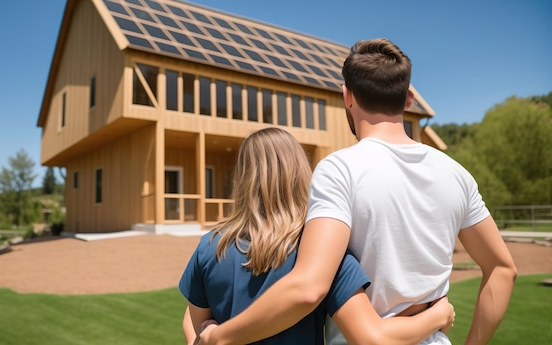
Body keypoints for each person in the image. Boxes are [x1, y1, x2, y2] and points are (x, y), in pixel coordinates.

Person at [198, 38, 517, 345]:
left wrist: (220, 337)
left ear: (347, 95)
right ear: (407, 99)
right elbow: (502, 268)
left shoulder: (340, 170)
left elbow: (309, 288)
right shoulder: (457, 174)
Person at [180, 127, 455, 345]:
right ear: (301, 172)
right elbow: (373, 336)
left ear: (242, 177)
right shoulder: (320, 251)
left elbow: (194, 323)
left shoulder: (211, 246)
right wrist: (436, 315)